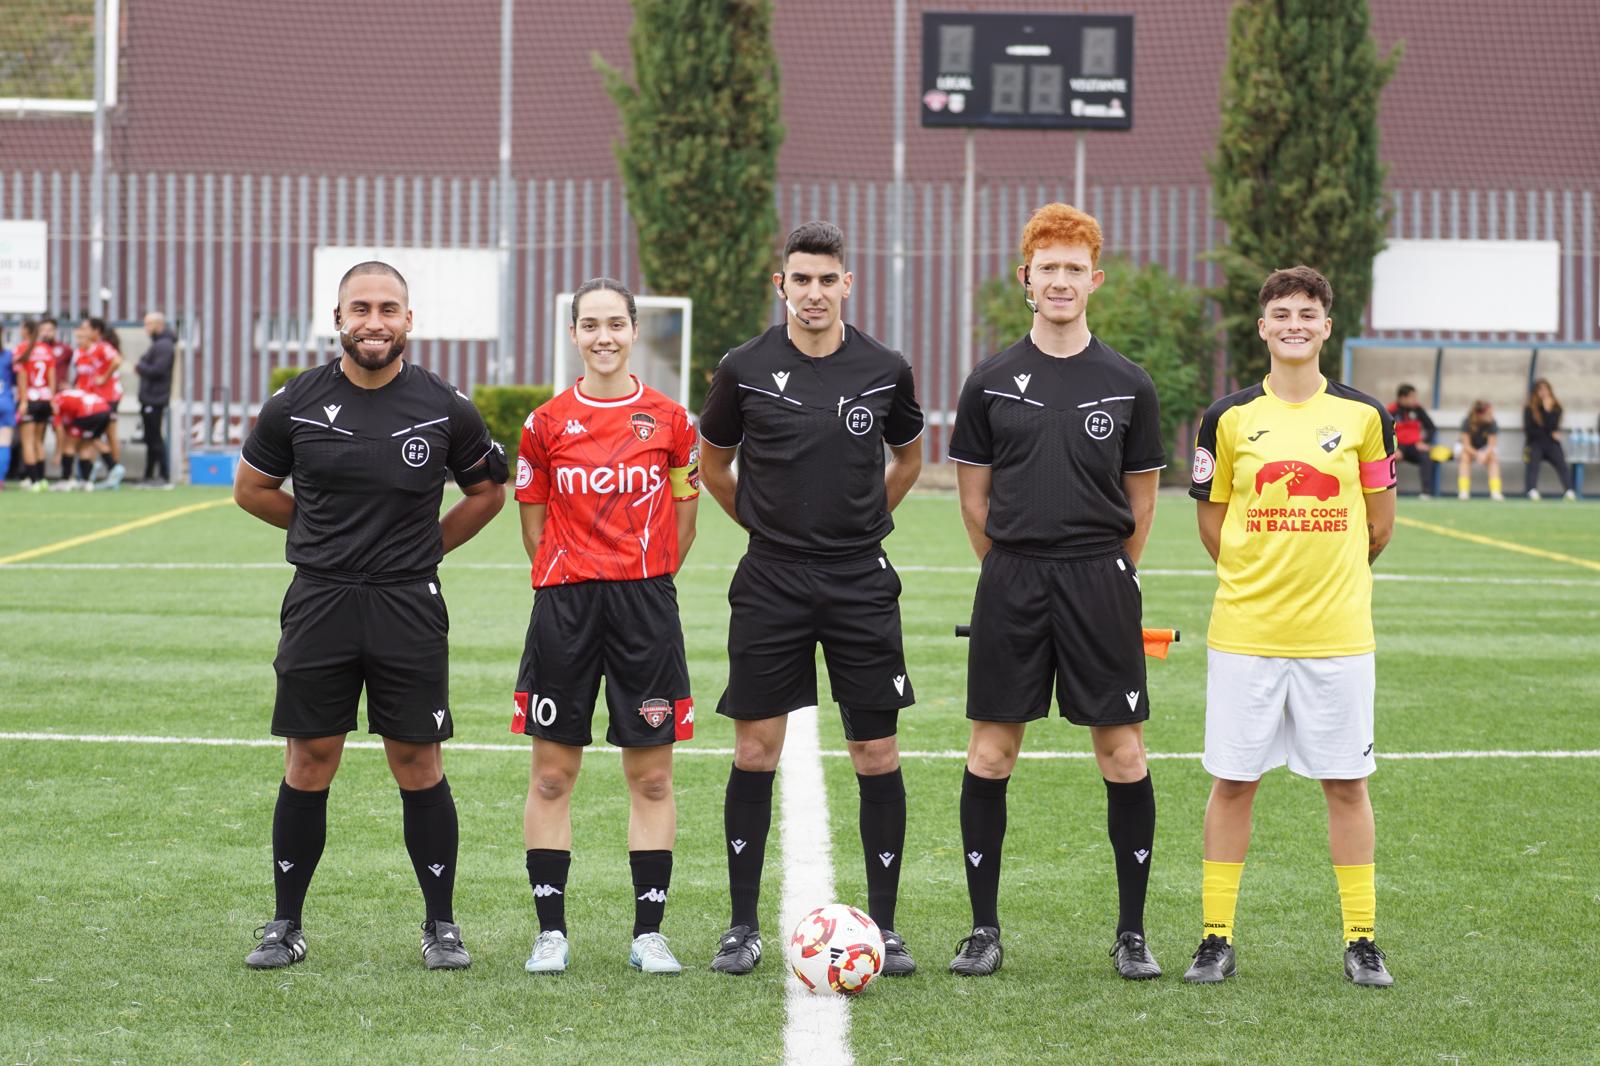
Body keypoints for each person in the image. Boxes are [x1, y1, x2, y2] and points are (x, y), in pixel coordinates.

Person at [234, 261, 507, 971]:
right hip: (320, 599)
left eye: (389, 308)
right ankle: (284, 925)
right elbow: (253, 489)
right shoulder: (294, 402)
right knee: (309, 759)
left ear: (409, 321)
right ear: (338, 318)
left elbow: (486, 494)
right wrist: (317, 536)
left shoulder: (448, 407)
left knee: (417, 761)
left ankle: (441, 926)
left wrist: (424, 547)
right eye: (361, 308)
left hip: (406, 602)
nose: (375, 321)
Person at [698, 220, 925, 976]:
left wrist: (867, 521)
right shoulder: (744, 367)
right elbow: (715, 464)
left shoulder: (886, 368)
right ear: (781, 286)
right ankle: (740, 928)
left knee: (875, 750)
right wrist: (763, 525)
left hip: (860, 579)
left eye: (828, 280)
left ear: (847, 284)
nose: (815, 293)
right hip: (772, 579)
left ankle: (885, 927)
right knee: (755, 749)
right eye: (802, 280)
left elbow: (907, 455)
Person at [946, 203, 1165, 980]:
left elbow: (1142, 503)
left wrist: (1108, 570)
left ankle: (1132, 934)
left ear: (1094, 280)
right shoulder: (991, 381)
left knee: (1123, 754)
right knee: (992, 752)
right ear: (1026, 280)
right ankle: (982, 930)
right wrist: (1010, 567)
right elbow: (974, 502)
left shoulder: (1127, 383)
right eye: (1050, 269)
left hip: (1099, 578)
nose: (1063, 280)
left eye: (1076, 268)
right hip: (1012, 579)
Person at [1186, 265, 1397, 988]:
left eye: (1308, 312)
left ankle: (1362, 940)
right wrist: (1257, 571)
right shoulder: (1229, 417)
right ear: (1263, 327)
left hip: (1337, 637)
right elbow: (1212, 523)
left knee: (1346, 782)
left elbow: (1380, 526)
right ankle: (1216, 938)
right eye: (1281, 313)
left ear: (1326, 325)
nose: (1295, 324)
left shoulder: (1367, 417)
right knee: (1233, 781)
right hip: (1246, 632)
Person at [510, 277, 701, 977]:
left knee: (651, 777)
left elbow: (684, 514)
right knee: (554, 774)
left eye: (615, 324)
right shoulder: (543, 425)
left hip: (645, 608)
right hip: (565, 606)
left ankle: (648, 932)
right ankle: (550, 933)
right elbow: (532, 525)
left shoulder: (673, 421)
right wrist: (575, 573)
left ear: (633, 329)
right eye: (590, 325)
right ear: (573, 334)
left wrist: (645, 573)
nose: (603, 337)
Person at [72, 317, 126, 487]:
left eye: (86, 329)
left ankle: (114, 471)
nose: (82, 332)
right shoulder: (83, 352)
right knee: (91, 435)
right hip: (93, 400)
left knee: (108, 435)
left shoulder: (103, 348)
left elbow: (117, 361)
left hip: (108, 398)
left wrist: (105, 377)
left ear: (96, 331)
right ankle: (96, 470)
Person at [14, 320, 56, 490]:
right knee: (39, 441)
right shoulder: (46, 349)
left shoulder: (22, 349)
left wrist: (23, 400)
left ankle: (33, 481)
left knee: (28, 442)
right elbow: (52, 376)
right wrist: (52, 398)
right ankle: (43, 479)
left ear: (25, 330)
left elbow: (22, 376)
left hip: (30, 399)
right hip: (45, 398)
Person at [137, 312, 176, 485]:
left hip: (155, 398)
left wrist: (140, 366)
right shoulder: (159, 344)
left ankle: (163, 475)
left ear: (158, 325)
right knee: (150, 437)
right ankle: (149, 475)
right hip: (150, 398)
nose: (146, 328)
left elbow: (158, 370)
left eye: (148, 324)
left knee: (155, 438)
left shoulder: (164, 345)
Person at [51, 385, 115, 490]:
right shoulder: (70, 395)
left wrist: (58, 453)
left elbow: (59, 432)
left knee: (70, 445)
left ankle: (66, 480)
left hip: (88, 414)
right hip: (105, 410)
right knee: (86, 445)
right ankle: (86, 482)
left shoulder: (55, 402)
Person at [1522, 379, 1575, 501]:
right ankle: (1532, 490)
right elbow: (1530, 430)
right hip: (1535, 442)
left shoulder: (1556, 408)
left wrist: (1547, 410)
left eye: (1546, 390)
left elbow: (1553, 426)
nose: (1543, 393)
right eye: (1540, 390)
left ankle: (1569, 490)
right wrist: (1549, 432)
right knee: (1533, 462)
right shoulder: (1530, 408)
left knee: (1561, 463)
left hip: (1551, 443)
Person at [1387, 384, 1436, 497]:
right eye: (1412, 397)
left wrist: (1424, 442)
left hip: (1414, 446)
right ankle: (1388, 492)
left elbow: (1431, 427)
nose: (1415, 400)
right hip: (1398, 447)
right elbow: (1385, 431)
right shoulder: (1391, 410)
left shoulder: (1418, 409)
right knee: (1388, 459)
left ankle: (1426, 492)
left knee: (1426, 457)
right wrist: (1393, 448)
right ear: (1402, 398)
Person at [1456, 400, 1502, 500]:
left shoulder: (1492, 422)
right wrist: (1477, 454)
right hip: (1468, 448)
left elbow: (1491, 445)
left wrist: (1485, 454)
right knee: (1465, 457)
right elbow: (1466, 445)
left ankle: (1496, 492)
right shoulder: (1467, 422)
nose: (1491, 415)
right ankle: (1463, 492)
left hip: (1484, 449)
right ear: (1479, 414)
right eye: (1488, 413)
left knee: (1493, 459)